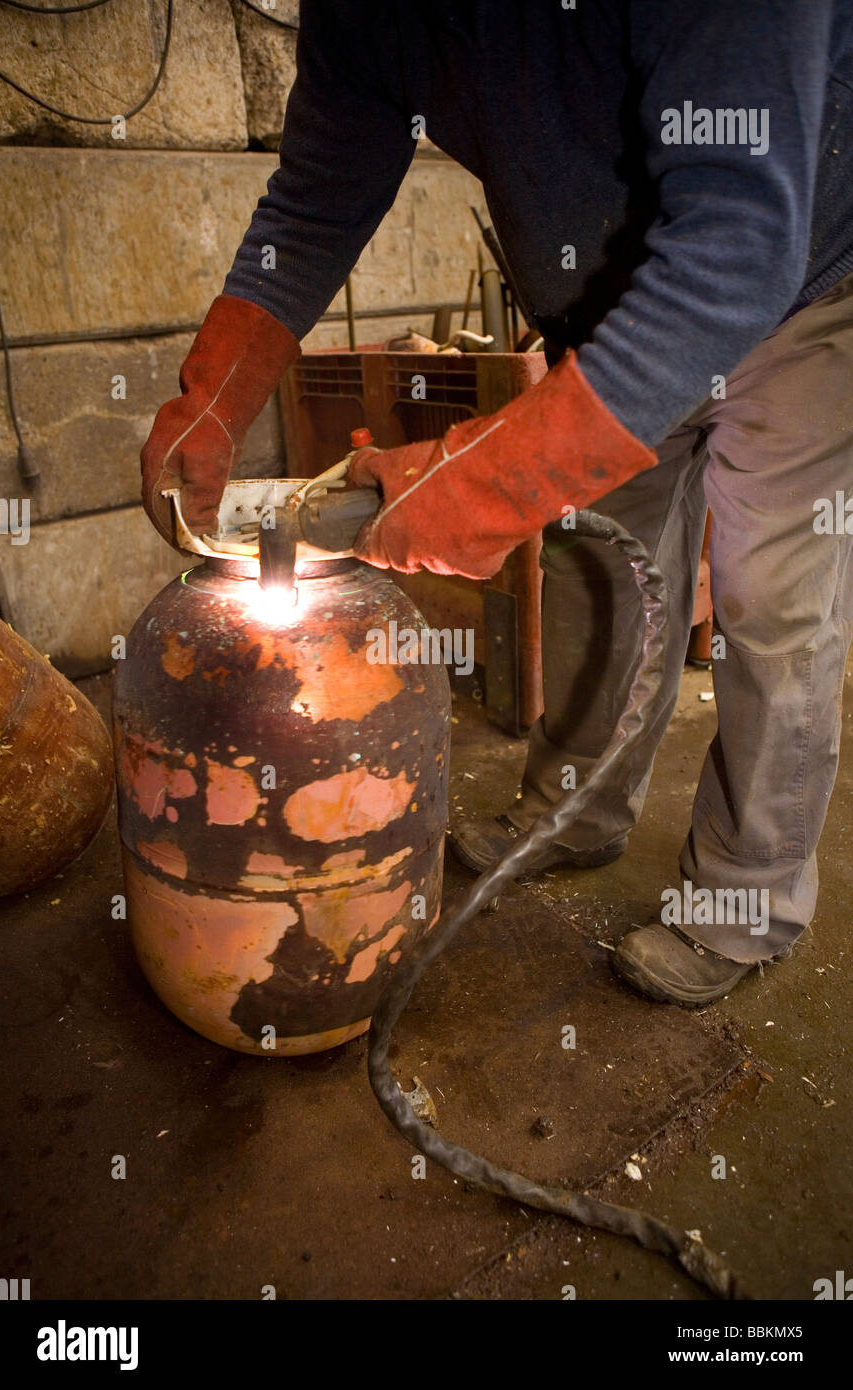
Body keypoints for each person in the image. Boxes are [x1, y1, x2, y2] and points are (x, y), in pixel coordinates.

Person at [141, 1, 853, 1006]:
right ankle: (576, 810)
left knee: (769, 603)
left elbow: (734, 249)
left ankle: (743, 902)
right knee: (602, 573)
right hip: (617, 301)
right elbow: (314, 201)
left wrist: (476, 482)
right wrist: (213, 393)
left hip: (802, 279)